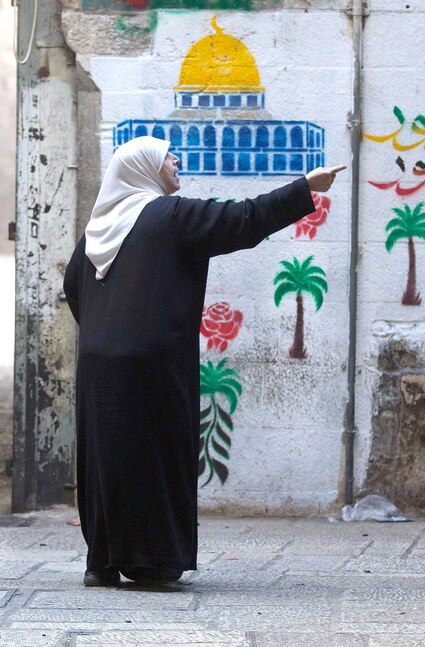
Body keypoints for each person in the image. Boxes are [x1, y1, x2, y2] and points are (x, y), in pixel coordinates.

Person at [63, 136, 345, 587]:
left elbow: (74, 286)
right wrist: (305, 187)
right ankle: (151, 562)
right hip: (154, 363)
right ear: (144, 168)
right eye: (166, 155)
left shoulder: (96, 230)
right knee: (155, 455)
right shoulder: (171, 216)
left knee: (106, 459)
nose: (176, 160)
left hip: (99, 365)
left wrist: (106, 333)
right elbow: (242, 219)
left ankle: (102, 561)